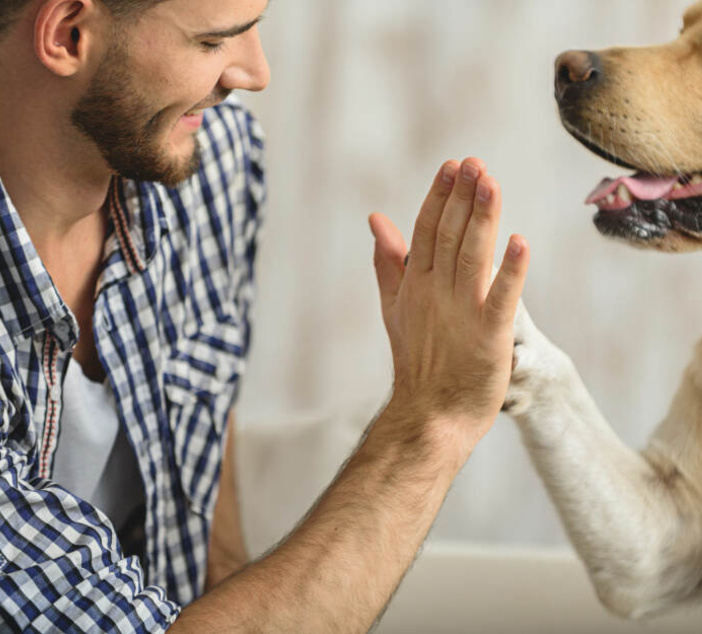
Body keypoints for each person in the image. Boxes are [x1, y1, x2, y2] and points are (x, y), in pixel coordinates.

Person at [0, 0, 530, 631]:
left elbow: (203, 465)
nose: (255, 72)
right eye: (213, 42)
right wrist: (433, 420)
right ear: (67, 34)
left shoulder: (207, 161)